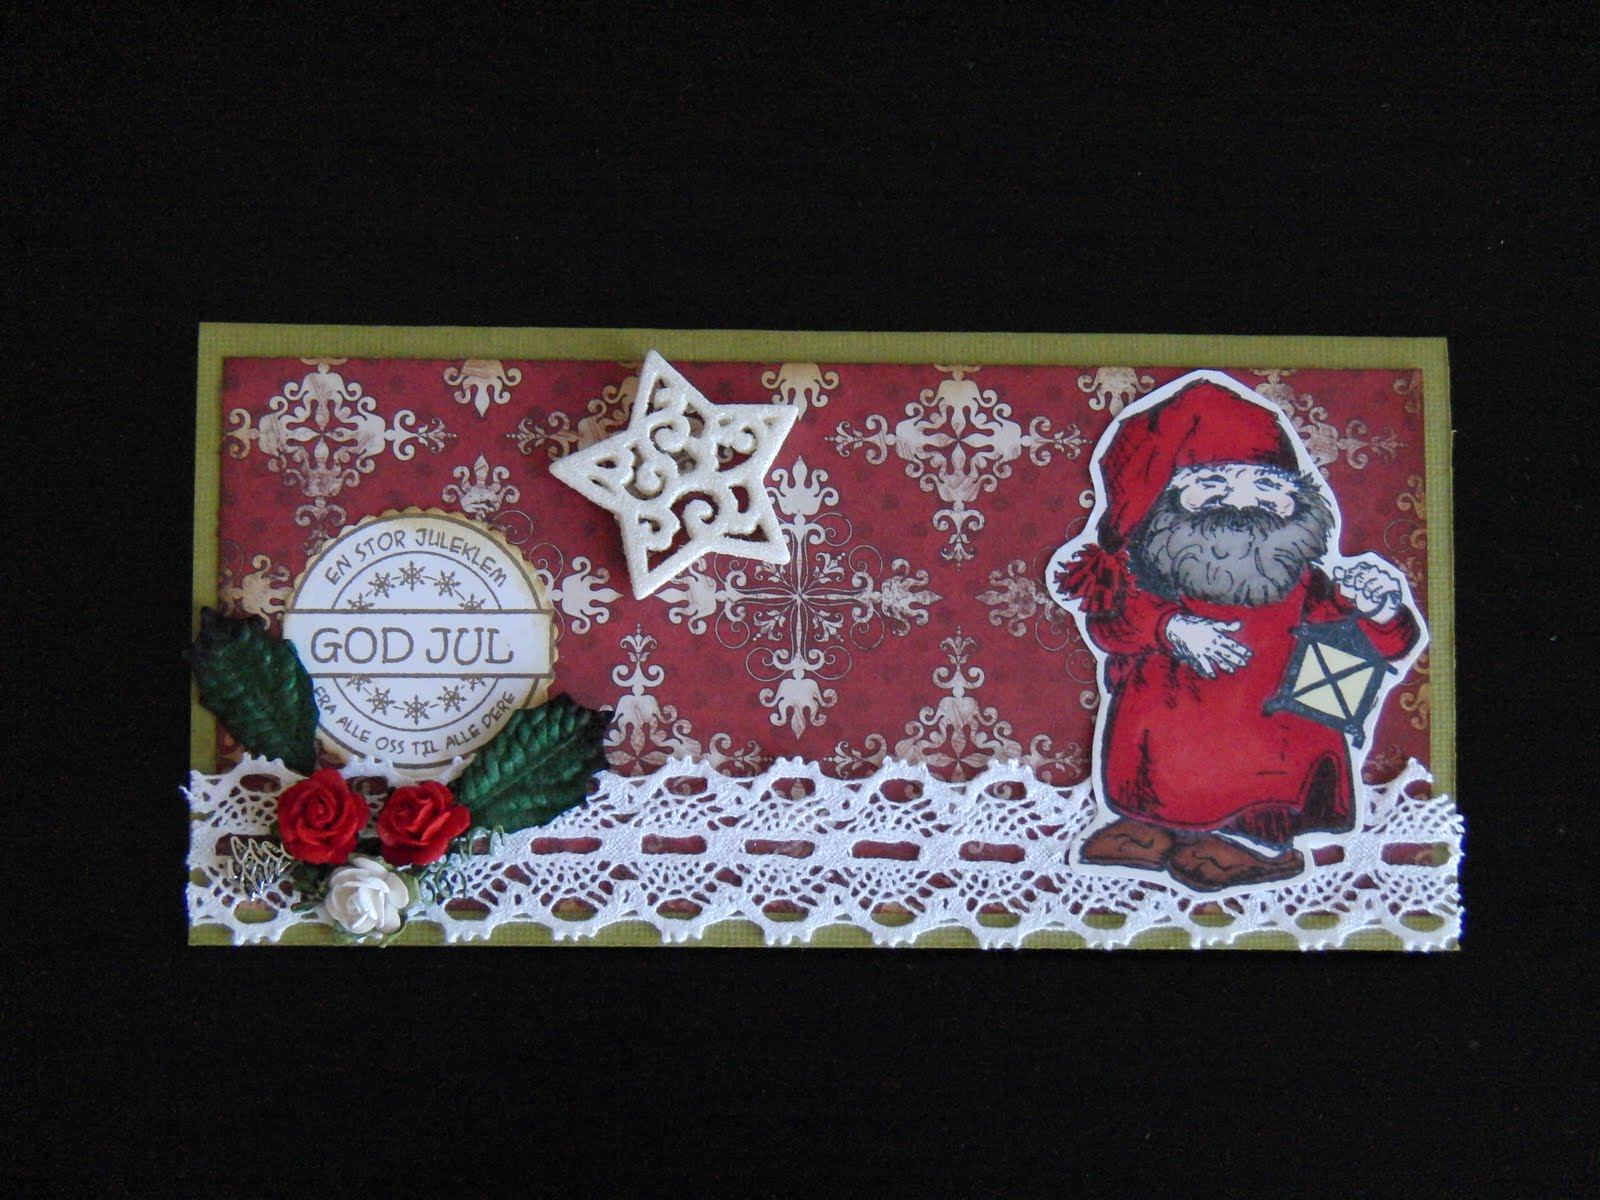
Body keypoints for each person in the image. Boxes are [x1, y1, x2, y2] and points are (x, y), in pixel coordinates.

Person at [1048, 375, 1424, 891]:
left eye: (1266, 485)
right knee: (1153, 772)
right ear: (1162, 498)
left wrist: (1379, 611)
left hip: (1270, 748)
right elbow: (1112, 624)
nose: (1243, 502)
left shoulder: (1305, 583)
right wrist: (1169, 626)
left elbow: (1362, 650)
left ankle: (1258, 847)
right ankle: (1154, 826)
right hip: (1164, 739)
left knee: (1262, 791)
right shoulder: (1144, 574)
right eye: (1212, 484)